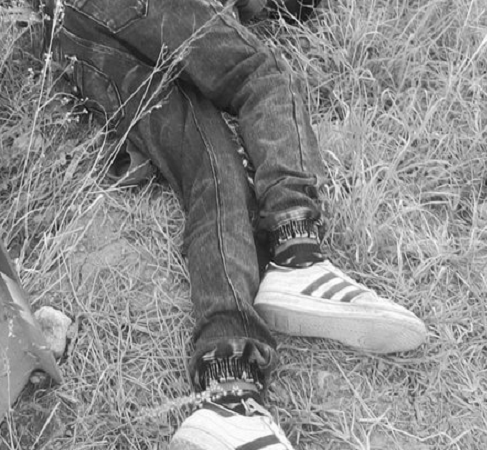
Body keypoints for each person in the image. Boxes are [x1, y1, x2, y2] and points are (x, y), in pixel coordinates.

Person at [32, 0, 427, 448]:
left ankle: (230, 395)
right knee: (262, 74)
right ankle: (297, 251)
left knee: (214, 170)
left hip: (67, 37)